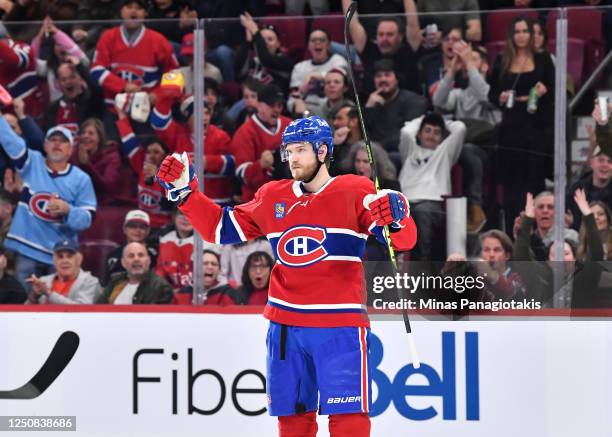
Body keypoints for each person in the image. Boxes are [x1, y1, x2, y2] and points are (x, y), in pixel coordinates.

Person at [156, 115, 417, 437]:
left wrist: (398, 216)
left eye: (300, 150)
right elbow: (219, 229)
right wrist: (185, 194)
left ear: (323, 151)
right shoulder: (272, 195)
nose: (292, 158)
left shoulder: (356, 189)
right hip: (285, 327)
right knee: (292, 421)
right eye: (288, 151)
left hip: (340, 327)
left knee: (349, 420)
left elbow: (401, 241)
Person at [0, 119, 97, 289]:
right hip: (27, 250)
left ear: (70, 149)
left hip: (60, 256)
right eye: (53, 140)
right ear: (45, 145)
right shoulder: (32, 162)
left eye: (63, 141)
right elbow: (9, 139)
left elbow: (87, 219)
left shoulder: (81, 179)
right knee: (25, 307)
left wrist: (68, 210)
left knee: (58, 308)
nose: (57, 144)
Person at [488, 15, 555, 226]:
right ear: (511, 35)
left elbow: (554, 91)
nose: (521, 36)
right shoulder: (502, 59)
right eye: (517, 32)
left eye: (525, 31)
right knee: (512, 185)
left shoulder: (543, 58)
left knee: (534, 181)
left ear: (532, 34)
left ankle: (535, 230)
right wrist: (501, 97)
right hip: (511, 127)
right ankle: (512, 231)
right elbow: (492, 93)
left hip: (536, 126)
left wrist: (545, 90)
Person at [398, 112, 465, 260]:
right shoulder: (410, 149)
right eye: (427, 130)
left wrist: (441, 120)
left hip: (431, 204)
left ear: (442, 137)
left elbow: (460, 128)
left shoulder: (445, 152)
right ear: (419, 133)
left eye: (436, 133)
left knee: (422, 213)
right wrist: (424, 118)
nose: (431, 135)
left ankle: (422, 268)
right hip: (404, 202)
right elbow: (405, 131)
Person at [342, 0, 422, 94]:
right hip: (373, 104)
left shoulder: (409, 48)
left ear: (400, 36)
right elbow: (352, 23)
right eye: (381, 34)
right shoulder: (368, 49)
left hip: (407, 105)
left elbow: (413, 23)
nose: (384, 39)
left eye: (390, 34)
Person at [231, 83, 292, 202]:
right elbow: (241, 175)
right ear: (259, 105)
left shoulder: (290, 126)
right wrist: (261, 165)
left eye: (279, 105)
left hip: (286, 197)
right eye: (271, 105)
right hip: (257, 201)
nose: (276, 109)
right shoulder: (245, 133)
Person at [363, 59, 428, 163]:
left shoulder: (413, 101)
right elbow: (363, 133)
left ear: (397, 79)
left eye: (387, 75)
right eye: (378, 76)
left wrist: (378, 146)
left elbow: (408, 134)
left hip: (403, 153)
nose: (382, 79)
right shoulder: (372, 102)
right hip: (374, 153)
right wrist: (368, 108)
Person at [287, 29, 349, 116]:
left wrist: (312, 75)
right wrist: (296, 103)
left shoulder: (338, 60)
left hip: (332, 111)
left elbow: (339, 76)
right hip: (306, 111)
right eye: (313, 40)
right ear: (308, 45)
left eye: (322, 40)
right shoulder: (299, 67)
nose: (318, 43)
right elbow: (293, 96)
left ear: (328, 45)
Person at [26, 240, 101, 304]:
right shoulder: (44, 281)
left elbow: (81, 311)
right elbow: (24, 313)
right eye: (60, 256)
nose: (64, 261)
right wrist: (34, 296)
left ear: (79, 259)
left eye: (69, 256)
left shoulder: (90, 282)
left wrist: (49, 293)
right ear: (54, 261)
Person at [235, 15, 295, 94]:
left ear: (278, 44)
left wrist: (255, 32)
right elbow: (238, 72)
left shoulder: (285, 62)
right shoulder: (253, 61)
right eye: (262, 39)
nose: (265, 43)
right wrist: (248, 41)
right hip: (248, 101)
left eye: (270, 39)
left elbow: (267, 60)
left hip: (271, 103)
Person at [98, 241, 173, 304]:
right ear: (123, 262)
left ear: (149, 261)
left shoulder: (161, 287)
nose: (136, 259)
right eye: (131, 256)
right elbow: (99, 310)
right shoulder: (115, 281)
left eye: (141, 255)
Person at [71, 118, 122, 206]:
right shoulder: (74, 153)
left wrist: (87, 165)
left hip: (102, 203)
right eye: (83, 133)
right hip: (76, 200)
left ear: (99, 137)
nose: (85, 136)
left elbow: (108, 186)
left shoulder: (112, 156)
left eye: (91, 133)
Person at [103, 210, 158, 285]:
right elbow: (106, 284)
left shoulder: (156, 255)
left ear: (148, 231)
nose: (137, 230)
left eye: (142, 227)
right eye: (133, 226)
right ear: (124, 229)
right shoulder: (114, 255)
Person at [173, 250, 240, 305]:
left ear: (219, 271)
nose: (210, 267)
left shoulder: (228, 293)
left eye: (214, 264)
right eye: (205, 263)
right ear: (194, 268)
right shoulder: (181, 294)